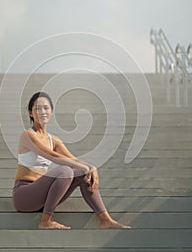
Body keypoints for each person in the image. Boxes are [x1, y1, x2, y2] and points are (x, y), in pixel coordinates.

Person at [13, 91, 131, 230]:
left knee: (81, 173)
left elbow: (73, 160)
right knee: (65, 170)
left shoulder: (53, 140)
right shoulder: (27, 135)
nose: (42, 111)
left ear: (51, 112)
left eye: (46, 108)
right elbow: (52, 156)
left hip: (44, 196)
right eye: (37, 108)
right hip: (25, 195)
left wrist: (90, 167)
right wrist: (87, 167)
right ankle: (46, 220)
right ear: (30, 113)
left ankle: (105, 220)